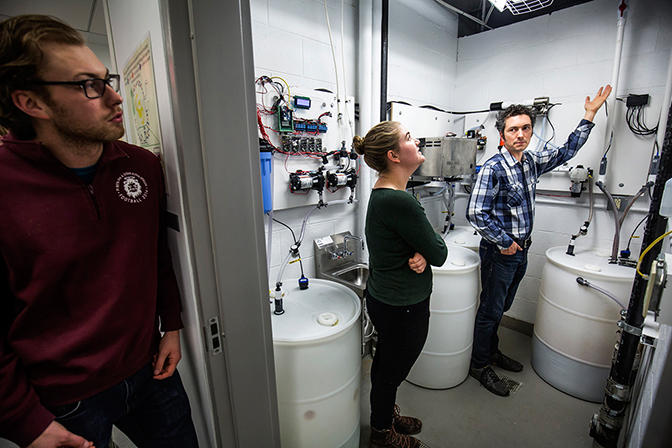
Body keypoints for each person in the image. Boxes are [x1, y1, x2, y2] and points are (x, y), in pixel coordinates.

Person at [0, 15, 198, 448]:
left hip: (150, 370)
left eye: (106, 79)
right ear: (31, 103)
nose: (114, 96)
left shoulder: (141, 166)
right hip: (66, 397)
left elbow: (155, 255)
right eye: (89, 85)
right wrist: (23, 420)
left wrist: (172, 326)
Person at [466, 85, 612, 396]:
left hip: (521, 250)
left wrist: (589, 115)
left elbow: (565, 152)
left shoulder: (529, 161)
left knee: (501, 305)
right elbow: (476, 213)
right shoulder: (493, 168)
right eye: (513, 129)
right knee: (491, 310)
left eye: (525, 128)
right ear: (502, 135)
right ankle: (479, 364)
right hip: (501, 252)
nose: (520, 134)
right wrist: (504, 241)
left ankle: (491, 351)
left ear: (531, 131)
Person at [354, 121, 448, 448]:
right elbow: (440, 253)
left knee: (384, 366)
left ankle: (386, 416)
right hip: (403, 306)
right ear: (394, 155)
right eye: (409, 138)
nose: (417, 139)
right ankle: (382, 434)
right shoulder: (401, 201)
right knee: (391, 372)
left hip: (384, 299)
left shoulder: (383, 193)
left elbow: (416, 247)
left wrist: (420, 249)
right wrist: (427, 248)